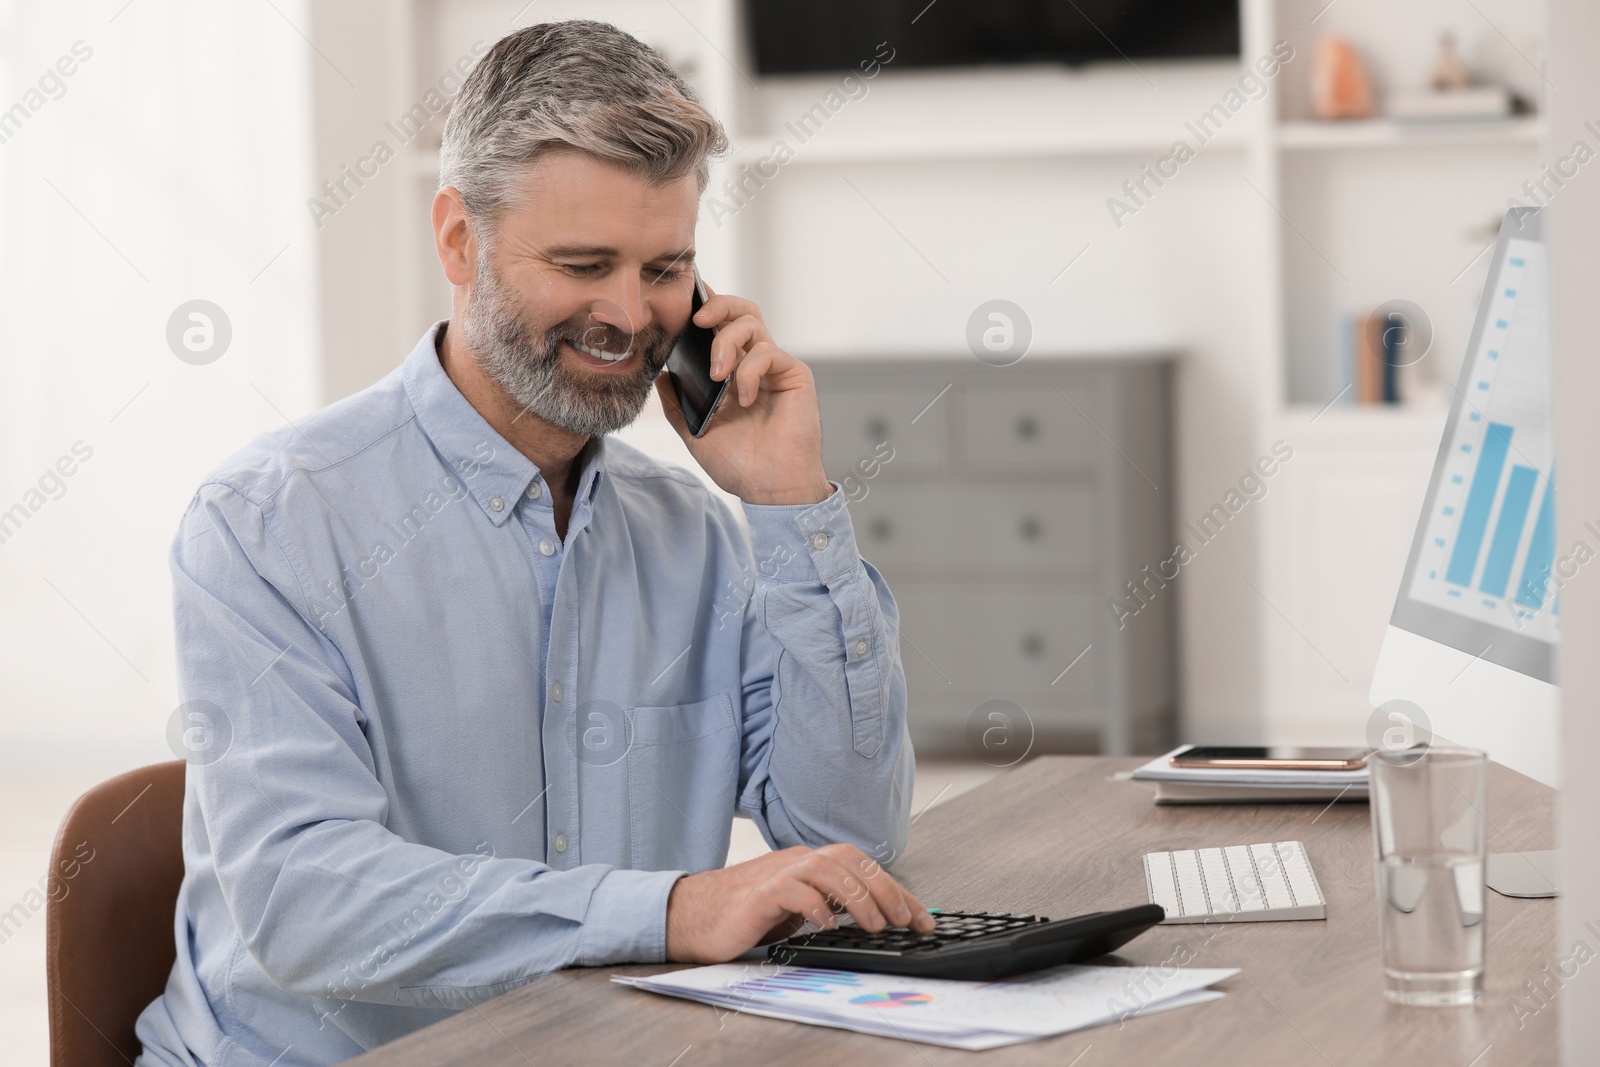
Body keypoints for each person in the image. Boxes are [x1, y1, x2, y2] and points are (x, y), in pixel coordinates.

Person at [134, 20, 929, 1067]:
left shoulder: (692, 529)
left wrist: (791, 502)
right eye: (583, 262)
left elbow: (849, 832)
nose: (629, 314)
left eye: (665, 266)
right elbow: (302, 898)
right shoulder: (271, 518)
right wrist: (669, 909)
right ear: (459, 241)